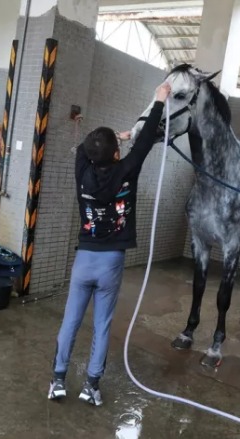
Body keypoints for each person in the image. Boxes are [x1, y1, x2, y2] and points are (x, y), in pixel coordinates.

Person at [48, 81, 171, 406]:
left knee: (70, 321)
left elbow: (86, 149)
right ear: (117, 155)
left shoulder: (82, 171)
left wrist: (112, 139)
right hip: (110, 263)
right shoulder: (127, 170)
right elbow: (145, 141)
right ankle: (91, 387)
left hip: (83, 262)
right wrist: (159, 100)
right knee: (101, 325)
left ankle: (58, 381)